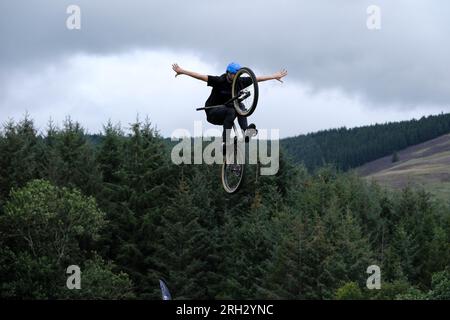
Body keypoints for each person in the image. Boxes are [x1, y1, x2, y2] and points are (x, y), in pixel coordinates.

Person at [172, 62, 287, 151]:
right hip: (213, 112)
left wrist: (273, 76)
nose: (234, 77)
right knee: (232, 110)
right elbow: (200, 76)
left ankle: (245, 131)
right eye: (233, 74)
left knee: (240, 106)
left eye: (236, 75)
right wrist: (182, 71)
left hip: (228, 111)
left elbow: (256, 79)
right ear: (228, 73)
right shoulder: (219, 80)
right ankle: (225, 142)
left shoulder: (239, 81)